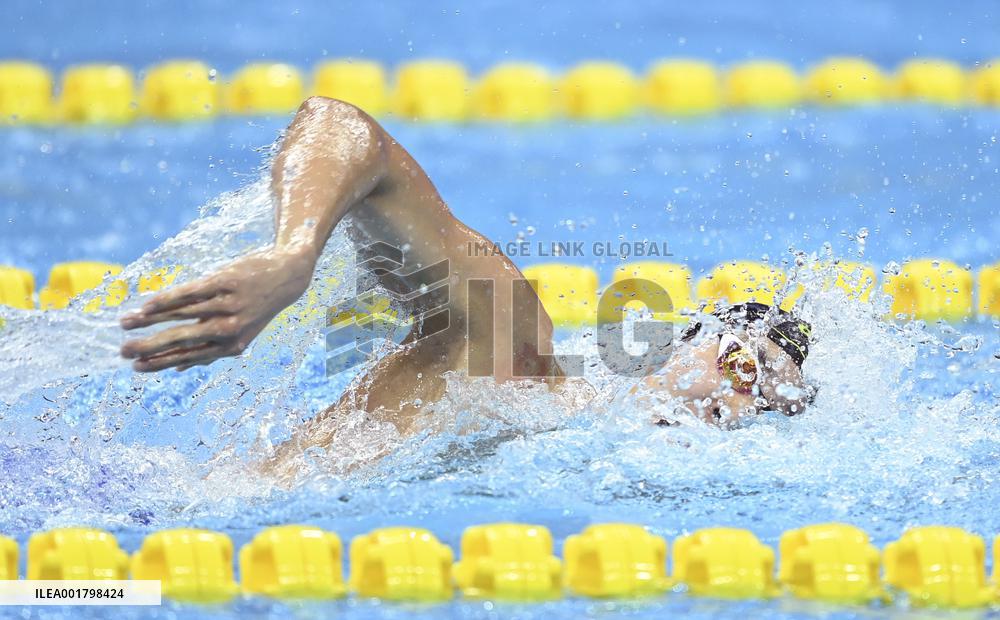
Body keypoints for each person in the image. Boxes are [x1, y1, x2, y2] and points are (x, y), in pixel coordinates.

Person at [119, 97, 812, 460]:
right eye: (743, 366)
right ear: (670, 340)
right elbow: (344, 126)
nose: (736, 403)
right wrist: (293, 255)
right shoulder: (519, 356)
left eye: (766, 408)